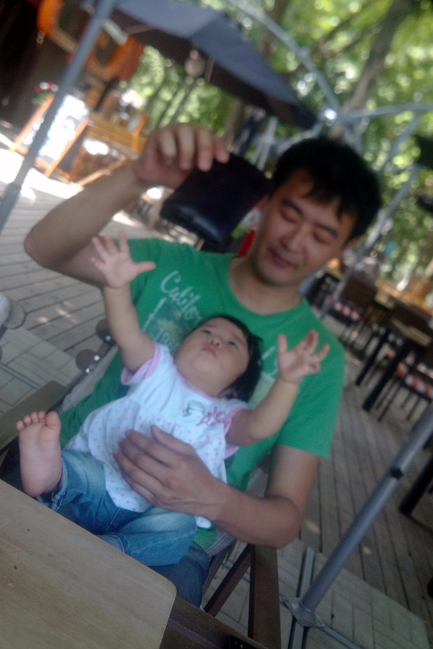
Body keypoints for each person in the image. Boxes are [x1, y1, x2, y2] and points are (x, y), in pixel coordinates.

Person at [22, 124, 381, 604]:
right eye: (290, 213)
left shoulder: (319, 357)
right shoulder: (171, 263)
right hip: (68, 469)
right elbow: (44, 247)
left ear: (343, 248)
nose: (295, 241)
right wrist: (138, 175)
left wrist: (209, 496)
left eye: (321, 234)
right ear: (265, 202)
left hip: (174, 535)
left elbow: (285, 520)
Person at [16, 231, 328, 569]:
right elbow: (127, 334)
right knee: (76, 468)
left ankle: (111, 552)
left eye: (232, 344)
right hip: (101, 480)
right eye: (206, 332)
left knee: (179, 528)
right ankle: (49, 474)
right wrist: (117, 288)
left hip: (158, 512)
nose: (215, 340)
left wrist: (288, 382)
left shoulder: (226, 414)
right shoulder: (158, 369)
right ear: (178, 350)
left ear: (235, 388)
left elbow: (260, 427)